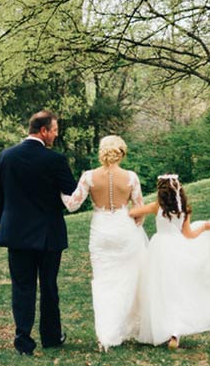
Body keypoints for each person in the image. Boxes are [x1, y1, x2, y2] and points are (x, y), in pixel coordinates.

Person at [129, 173, 210, 350]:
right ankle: (175, 333)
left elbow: (132, 212)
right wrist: (204, 228)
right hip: (177, 249)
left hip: (159, 249)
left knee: (160, 289)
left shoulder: (157, 207)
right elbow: (189, 235)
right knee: (178, 289)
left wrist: (134, 212)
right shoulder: (185, 210)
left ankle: (162, 327)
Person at [0, 110, 77, 355]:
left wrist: (7, 223)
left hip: (16, 233)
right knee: (48, 286)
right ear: (43, 131)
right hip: (48, 234)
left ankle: (23, 341)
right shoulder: (55, 160)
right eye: (54, 131)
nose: (55, 136)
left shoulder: (6, 156)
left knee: (22, 286)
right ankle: (51, 337)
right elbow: (70, 192)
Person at [60, 135, 148, 351]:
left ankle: (106, 336)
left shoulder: (89, 177)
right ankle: (127, 327)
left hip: (100, 231)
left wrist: (60, 191)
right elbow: (139, 210)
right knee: (128, 279)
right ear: (121, 152)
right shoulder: (131, 177)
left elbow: (72, 205)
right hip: (123, 228)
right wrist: (135, 222)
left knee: (103, 282)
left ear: (101, 152)